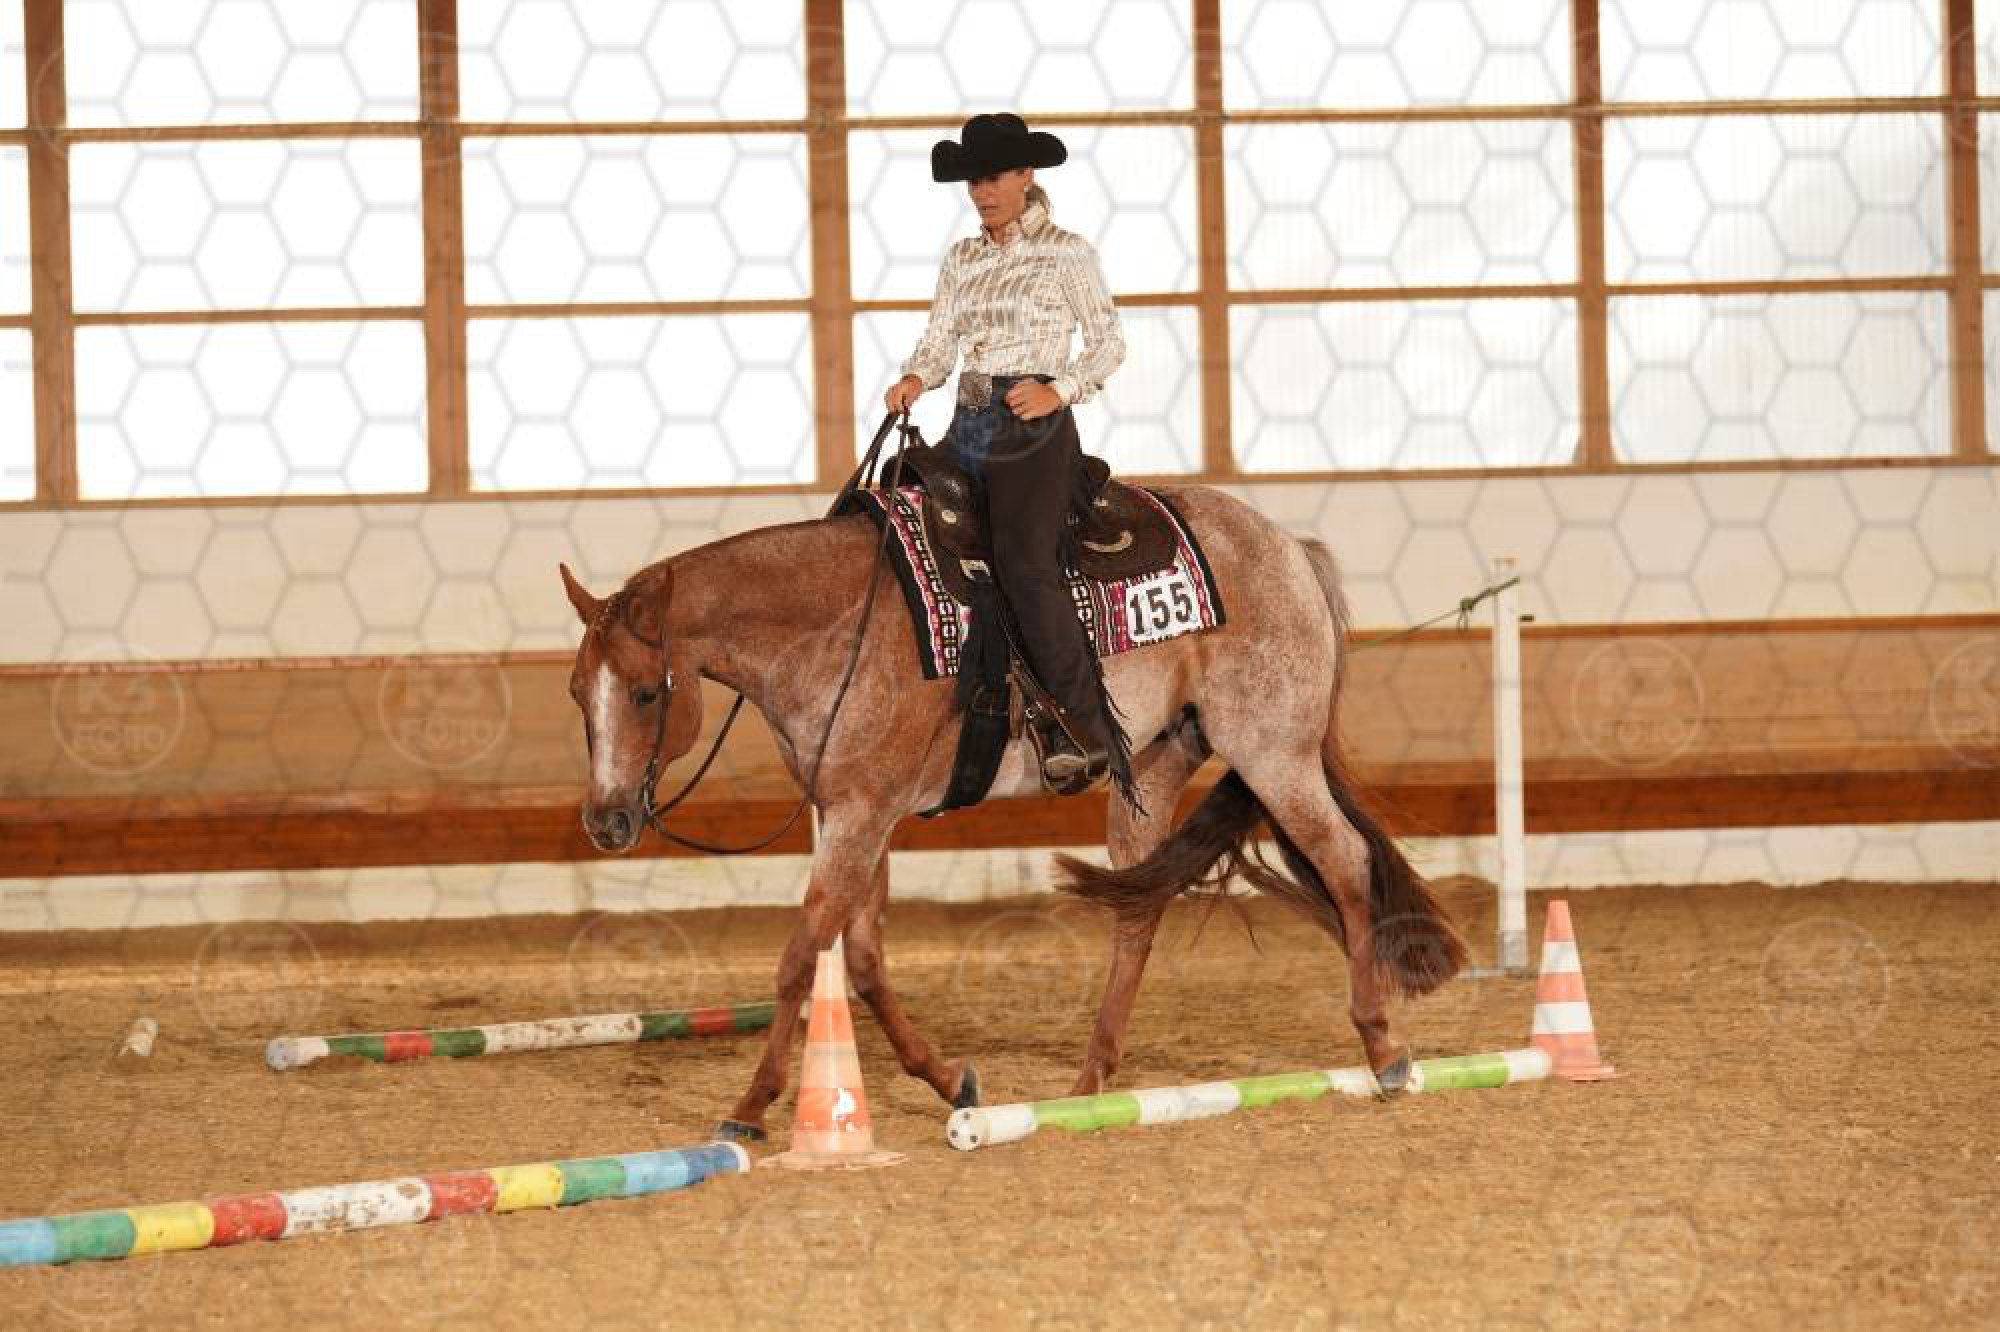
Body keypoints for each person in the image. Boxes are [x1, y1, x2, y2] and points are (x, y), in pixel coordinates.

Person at [883, 112, 1129, 792]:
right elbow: (941, 339)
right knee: (899, 521)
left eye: (992, 178)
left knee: (1024, 563)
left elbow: (1108, 341)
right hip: (969, 424)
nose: (981, 193)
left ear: (1026, 175)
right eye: (973, 182)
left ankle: (1084, 728)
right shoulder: (962, 258)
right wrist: (916, 377)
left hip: (1032, 432)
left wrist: (1059, 390)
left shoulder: (1066, 252)